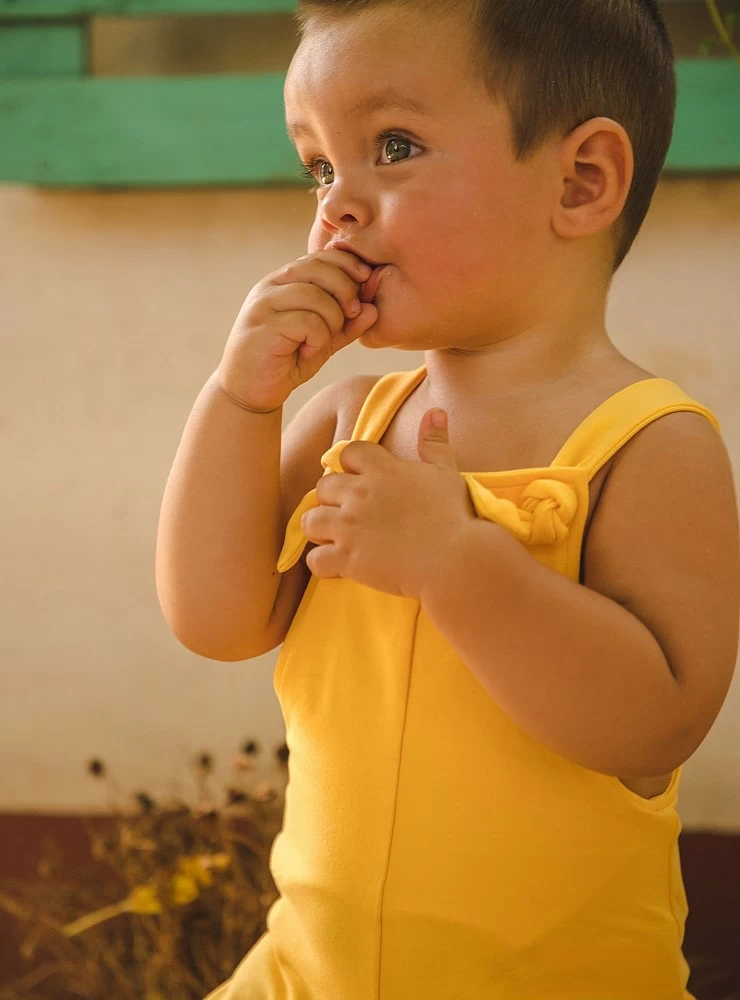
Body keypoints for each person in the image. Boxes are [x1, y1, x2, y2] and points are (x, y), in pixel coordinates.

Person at [155, 0, 740, 996]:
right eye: (320, 167)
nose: (335, 205)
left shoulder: (648, 444)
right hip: (307, 972)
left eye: (392, 146)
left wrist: (453, 562)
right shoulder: (346, 422)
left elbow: (655, 722)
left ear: (579, 180)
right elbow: (213, 619)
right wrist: (237, 401)